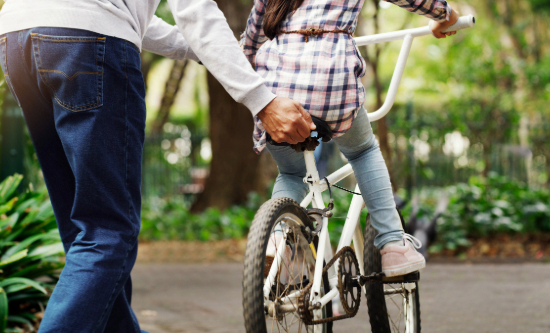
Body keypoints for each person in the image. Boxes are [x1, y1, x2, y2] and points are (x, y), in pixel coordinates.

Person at [0, 0, 317, 332]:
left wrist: (213, 51)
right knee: (108, 234)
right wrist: (262, 101)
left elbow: (131, 16)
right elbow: (194, 11)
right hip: (87, 44)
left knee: (84, 233)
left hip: (18, 35)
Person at [240, 0, 459, 277]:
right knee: (363, 151)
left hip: (277, 98)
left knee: (292, 174)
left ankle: (275, 239)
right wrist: (446, 15)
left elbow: (250, 43)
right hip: (331, 87)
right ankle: (392, 243)